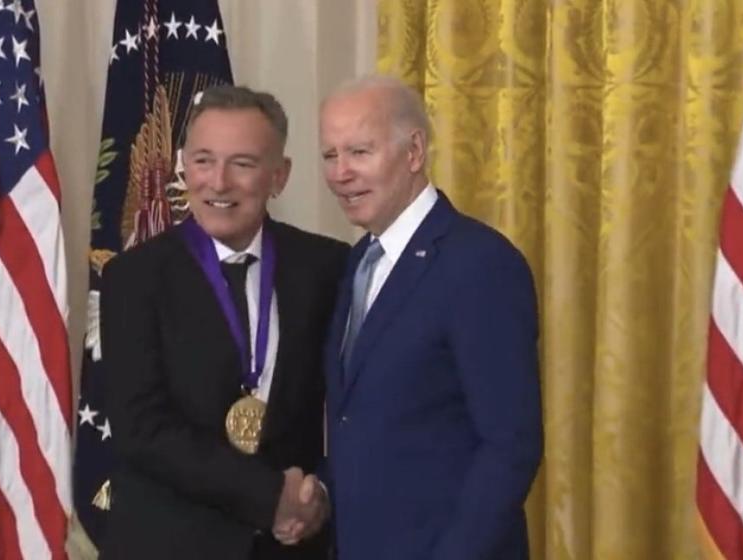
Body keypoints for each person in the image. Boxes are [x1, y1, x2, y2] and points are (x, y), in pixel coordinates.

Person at [100, 85, 346, 560]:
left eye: (243, 164)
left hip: (291, 546)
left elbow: (353, 406)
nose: (218, 182)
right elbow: (142, 428)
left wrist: (320, 499)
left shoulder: (326, 267)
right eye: (203, 160)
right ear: (183, 165)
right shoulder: (133, 277)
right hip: (167, 546)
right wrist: (269, 496)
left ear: (280, 176)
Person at [316, 75, 543, 559]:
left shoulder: (479, 263)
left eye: (358, 152)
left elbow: (510, 446)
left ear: (414, 152)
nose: (340, 173)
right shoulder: (358, 262)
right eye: (330, 156)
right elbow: (364, 422)